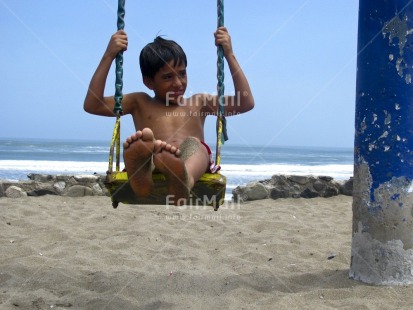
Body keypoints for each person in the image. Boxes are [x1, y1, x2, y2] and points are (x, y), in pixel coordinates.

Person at [84, 27, 254, 205]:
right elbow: (92, 104)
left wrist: (229, 54)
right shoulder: (139, 102)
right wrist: (108, 55)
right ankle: (141, 178)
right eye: (167, 77)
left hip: (191, 165)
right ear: (149, 82)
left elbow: (245, 102)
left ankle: (183, 180)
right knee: (147, 143)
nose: (178, 83)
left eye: (182, 73)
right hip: (153, 162)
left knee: (196, 145)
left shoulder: (199, 102)